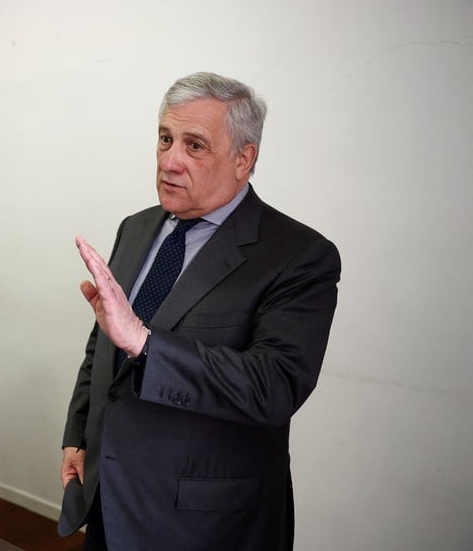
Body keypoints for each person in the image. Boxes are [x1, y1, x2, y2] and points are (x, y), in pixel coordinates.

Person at [59, 72, 341, 550]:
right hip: (109, 498)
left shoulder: (299, 255)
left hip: (206, 524)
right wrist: (79, 435)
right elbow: (103, 342)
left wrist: (146, 344)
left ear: (243, 159)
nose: (169, 161)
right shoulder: (136, 227)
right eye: (166, 139)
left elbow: (273, 386)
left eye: (195, 146)